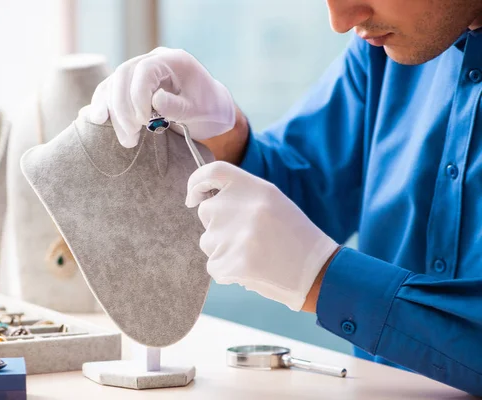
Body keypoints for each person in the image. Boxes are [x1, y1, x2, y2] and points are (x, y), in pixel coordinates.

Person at [88, 0, 482, 395]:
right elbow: (304, 199)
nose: (341, 21)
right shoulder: (383, 51)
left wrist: (322, 278)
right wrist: (223, 133)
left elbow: (305, 256)